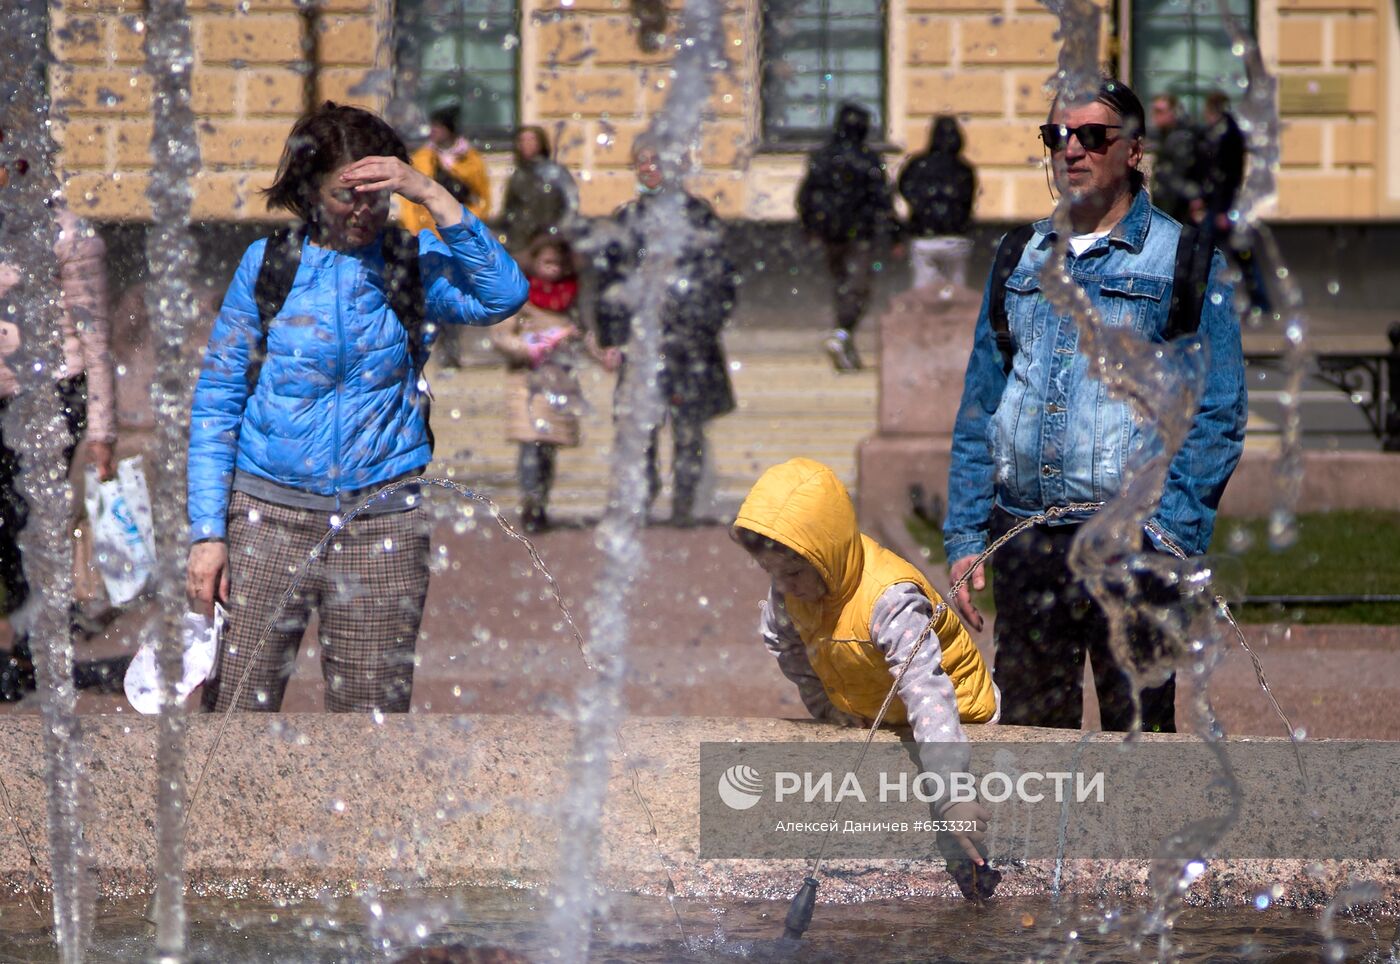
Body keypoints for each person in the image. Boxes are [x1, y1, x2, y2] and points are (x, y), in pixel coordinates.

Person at [187, 102, 527, 712]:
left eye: (380, 194)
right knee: (232, 722)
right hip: (267, 519)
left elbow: (504, 294)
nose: (366, 211)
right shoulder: (269, 265)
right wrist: (208, 534)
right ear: (309, 190)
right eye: (349, 195)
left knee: (371, 735)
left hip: (382, 521)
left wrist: (428, 191)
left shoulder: (411, 263)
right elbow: (217, 401)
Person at [943, 78, 1248, 733]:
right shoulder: (1018, 255)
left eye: (1091, 136)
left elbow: (1217, 412)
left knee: (1136, 748)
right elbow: (981, 405)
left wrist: (1172, 533)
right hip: (1027, 538)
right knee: (1029, 744)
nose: (1071, 150)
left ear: (1133, 150)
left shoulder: (1184, 259)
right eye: (1056, 136)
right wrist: (967, 536)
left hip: (1133, 549)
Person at [733, 457, 1001, 901]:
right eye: (771, 573)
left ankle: (979, 878)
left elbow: (927, 691)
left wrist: (954, 792)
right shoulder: (790, 587)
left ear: (828, 553)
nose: (784, 586)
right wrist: (831, 711)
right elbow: (785, 647)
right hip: (883, 708)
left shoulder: (888, 598)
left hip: (960, 714)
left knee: (961, 835)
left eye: (795, 573)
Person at [0, 158, 127, 698]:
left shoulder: (69, 235)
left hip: (51, 394)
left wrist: (102, 429)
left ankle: (29, 653)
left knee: (25, 522)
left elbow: (94, 336)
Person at [594, 138, 736, 526]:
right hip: (641, 345)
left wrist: (704, 325)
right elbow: (609, 283)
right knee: (640, 429)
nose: (649, 168)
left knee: (689, 429)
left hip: (690, 345)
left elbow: (722, 279)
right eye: (642, 161)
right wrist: (609, 339)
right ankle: (642, 499)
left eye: (657, 161)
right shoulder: (625, 219)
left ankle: (684, 507)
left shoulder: (698, 216)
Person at [490, 235, 618, 532]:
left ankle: (541, 502)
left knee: (548, 449)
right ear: (534, 263)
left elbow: (585, 335)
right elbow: (500, 336)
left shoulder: (570, 297)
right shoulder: (520, 295)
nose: (553, 270)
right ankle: (530, 505)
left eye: (558, 264)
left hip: (559, 383)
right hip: (527, 382)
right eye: (547, 262)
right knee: (531, 446)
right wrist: (529, 347)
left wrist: (602, 356)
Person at [795, 102, 901, 372]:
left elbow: (806, 196)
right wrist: (895, 234)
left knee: (842, 286)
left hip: (831, 233)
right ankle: (842, 334)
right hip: (859, 235)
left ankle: (843, 340)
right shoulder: (867, 159)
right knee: (858, 288)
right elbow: (882, 199)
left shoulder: (823, 157)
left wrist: (810, 227)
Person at [398, 105, 493, 368]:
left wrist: (465, 222)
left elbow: (482, 198)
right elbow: (409, 200)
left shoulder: (470, 160)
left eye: (439, 127)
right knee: (422, 293)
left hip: (455, 238)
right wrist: (415, 229)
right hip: (426, 236)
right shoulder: (423, 158)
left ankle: (451, 349)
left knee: (454, 292)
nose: (434, 131)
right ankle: (421, 347)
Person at [897, 115, 977, 290]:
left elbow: (903, 186)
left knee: (924, 291)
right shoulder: (963, 168)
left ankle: (925, 317)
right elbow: (968, 200)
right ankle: (954, 317)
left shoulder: (918, 164)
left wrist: (920, 208)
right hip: (956, 236)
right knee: (955, 291)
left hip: (923, 234)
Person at [500, 126, 578, 254]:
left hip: (550, 241)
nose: (527, 144)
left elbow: (571, 207)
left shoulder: (556, 173)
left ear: (541, 143)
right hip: (522, 243)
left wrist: (558, 234)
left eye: (531, 140)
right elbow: (509, 211)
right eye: (522, 140)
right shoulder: (518, 176)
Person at [1147, 93, 1199, 225]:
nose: (1156, 116)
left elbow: (1180, 176)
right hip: (1165, 203)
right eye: (1154, 111)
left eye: (1160, 111)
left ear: (1173, 112)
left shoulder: (1182, 137)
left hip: (1177, 207)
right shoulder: (1161, 135)